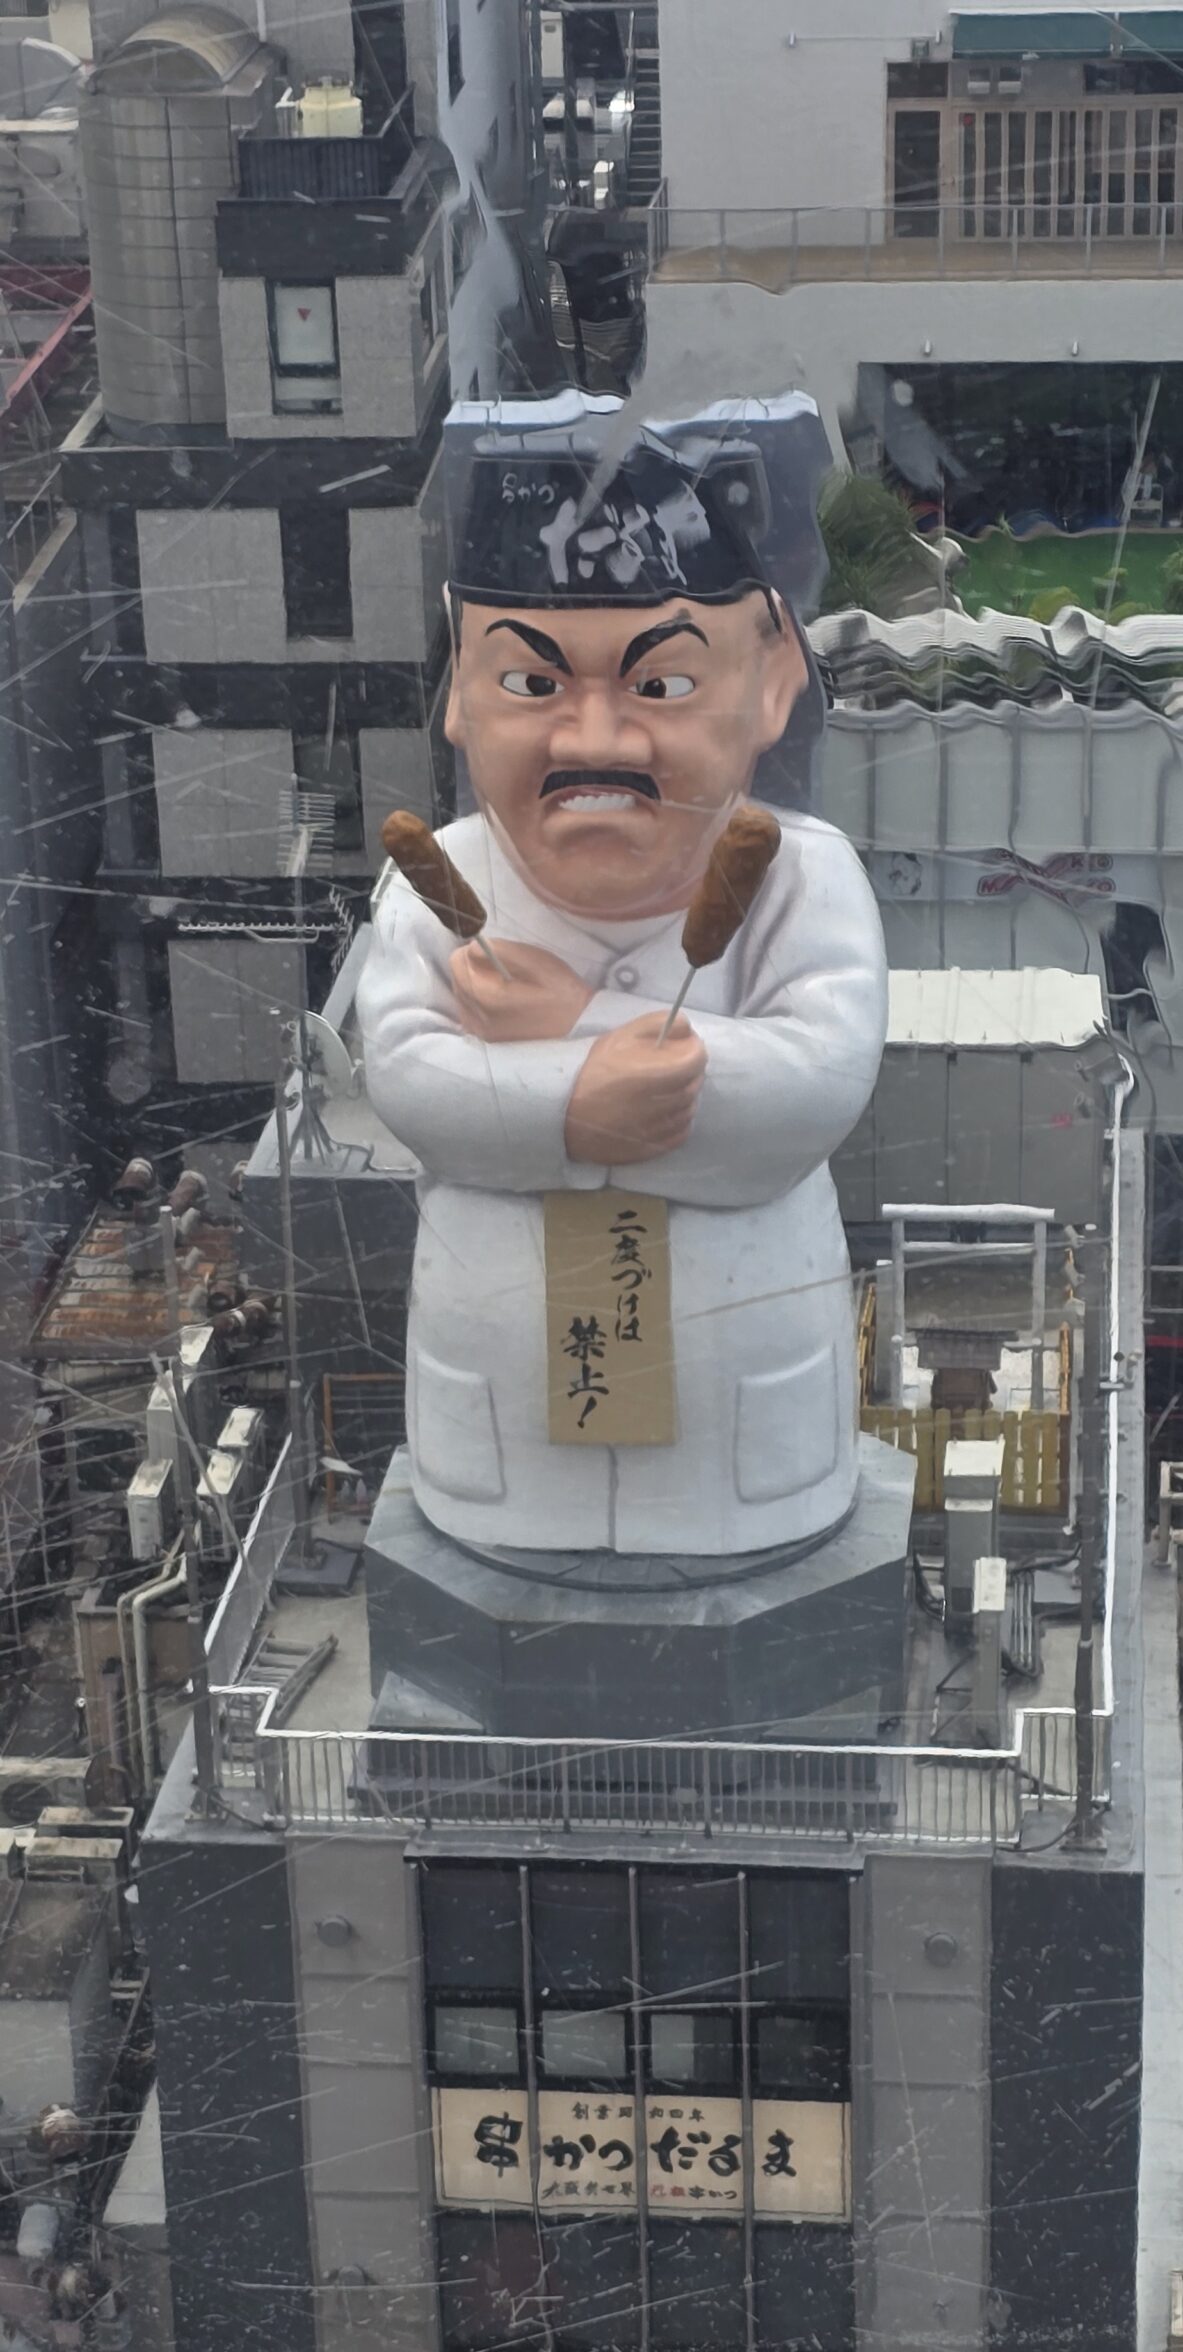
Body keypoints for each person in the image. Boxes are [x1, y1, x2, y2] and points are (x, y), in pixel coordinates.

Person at [357, 425, 888, 1554]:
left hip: (741, 1448)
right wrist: (576, 1107)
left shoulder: (804, 876)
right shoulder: (436, 880)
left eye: (663, 683)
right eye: (529, 681)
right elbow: (409, 1082)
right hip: (498, 1439)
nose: (594, 736)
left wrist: (570, 1028)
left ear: (771, 683)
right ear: (460, 695)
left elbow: (810, 1093)